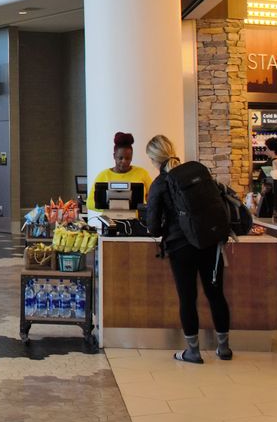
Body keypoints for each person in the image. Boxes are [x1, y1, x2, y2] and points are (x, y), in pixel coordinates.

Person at [144, 134, 232, 364]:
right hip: (210, 243)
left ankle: (193, 351)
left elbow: (152, 226)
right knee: (216, 295)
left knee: (188, 297)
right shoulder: (196, 175)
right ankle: (224, 348)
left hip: (181, 247)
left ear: (154, 159)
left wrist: (162, 227)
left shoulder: (161, 183)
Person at [90, 132, 153, 209]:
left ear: (132, 157)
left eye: (128, 158)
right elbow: (90, 203)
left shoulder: (142, 173)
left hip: (135, 220)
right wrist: (112, 207)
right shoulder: (103, 175)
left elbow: (153, 198)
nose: (124, 161)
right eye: (120, 158)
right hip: (109, 220)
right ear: (114, 156)